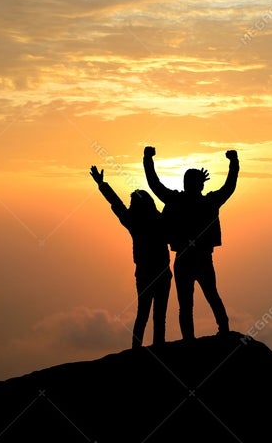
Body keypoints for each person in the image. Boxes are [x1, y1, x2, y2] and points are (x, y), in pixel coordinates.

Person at [143, 146, 239, 341]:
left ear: (186, 184)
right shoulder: (210, 202)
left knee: (187, 304)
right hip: (202, 259)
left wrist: (147, 159)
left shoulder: (176, 201)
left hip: (185, 259)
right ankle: (224, 332)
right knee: (211, 296)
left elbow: (155, 184)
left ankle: (189, 340)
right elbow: (230, 186)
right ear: (201, 185)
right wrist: (233, 162)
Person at [89, 165, 172, 348]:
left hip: (145, 273)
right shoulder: (159, 222)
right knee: (159, 315)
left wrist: (102, 184)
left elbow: (116, 204)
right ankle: (159, 348)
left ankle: (137, 350)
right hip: (162, 273)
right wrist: (102, 184)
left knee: (143, 313)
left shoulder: (134, 222)